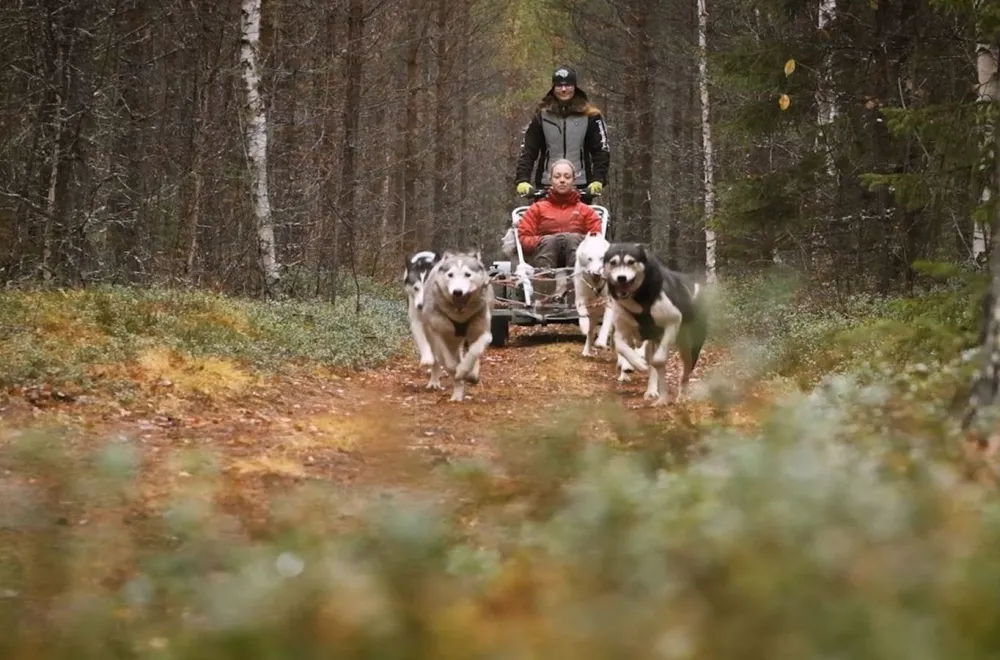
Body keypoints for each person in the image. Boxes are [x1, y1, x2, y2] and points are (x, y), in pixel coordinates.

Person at [515, 66, 611, 198]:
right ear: (553, 88)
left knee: (581, 219)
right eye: (559, 85)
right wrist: (522, 180)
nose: (564, 89)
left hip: (580, 186)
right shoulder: (542, 115)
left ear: (575, 87)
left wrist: (598, 179)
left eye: (568, 85)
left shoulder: (591, 115)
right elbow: (528, 149)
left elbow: (601, 150)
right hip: (546, 185)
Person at [517, 159, 603, 272]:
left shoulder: (586, 211)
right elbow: (524, 238)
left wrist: (575, 240)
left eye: (567, 177)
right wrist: (543, 241)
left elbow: (596, 240)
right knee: (549, 242)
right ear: (550, 179)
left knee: (573, 239)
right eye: (557, 176)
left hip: (579, 265)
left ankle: (574, 280)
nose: (562, 180)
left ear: (573, 180)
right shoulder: (536, 209)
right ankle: (544, 283)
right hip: (543, 258)